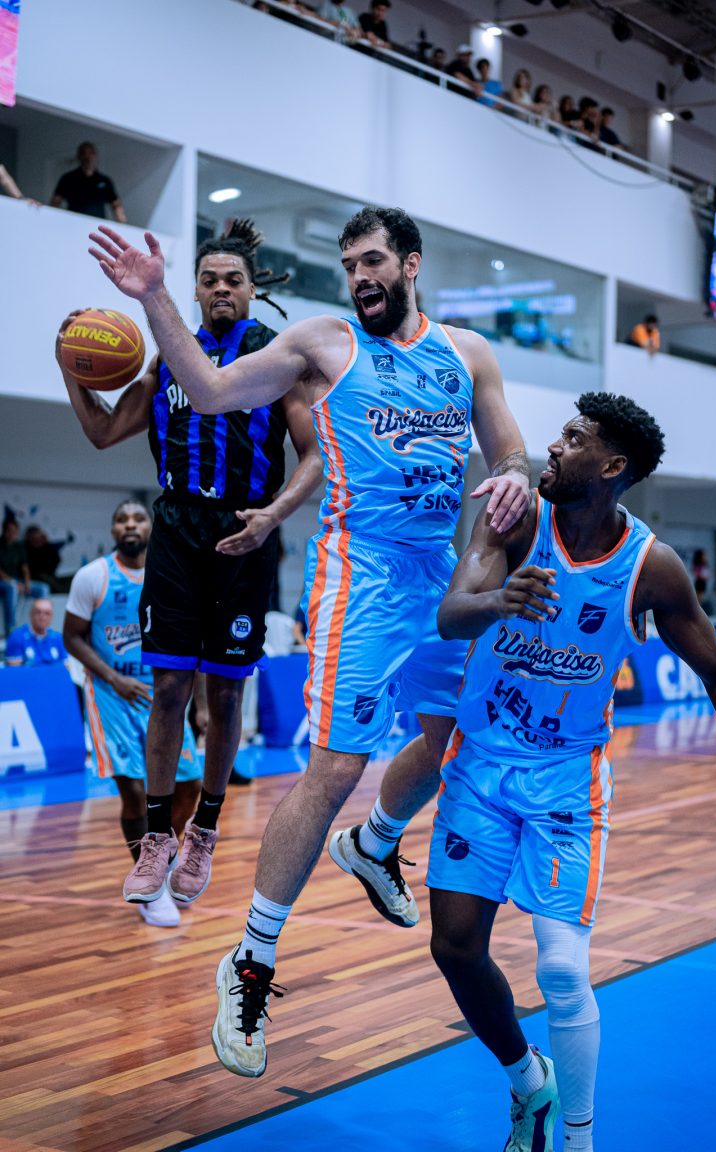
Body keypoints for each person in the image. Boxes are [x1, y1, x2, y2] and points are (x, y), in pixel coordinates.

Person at [87, 203, 531, 1078]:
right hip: (359, 577)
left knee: (456, 740)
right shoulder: (323, 344)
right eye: (349, 264)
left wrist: (515, 480)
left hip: (439, 576)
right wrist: (154, 298)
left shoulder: (470, 354)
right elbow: (209, 391)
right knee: (334, 768)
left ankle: (375, 842)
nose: (360, 277)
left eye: (373, 261)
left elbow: (508, 452)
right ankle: (249, 961)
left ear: (410, 264)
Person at [426, 392, 716, 1152]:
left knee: (561, 971)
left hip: (564, 780)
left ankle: (578, 1140)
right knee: (454, 947)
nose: (553, 447)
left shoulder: (652, 566)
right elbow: (451, 615)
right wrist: (498, 600)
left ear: (611, 467)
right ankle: (530, 1083)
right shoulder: (516, 519)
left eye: (573, 438)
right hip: (481, 765)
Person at [58, 219, 321, 909]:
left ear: (252, 289)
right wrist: (69, 365)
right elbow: (102, 431)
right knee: (170, 686)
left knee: (225, 693)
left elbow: (316, 456)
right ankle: (156, 837)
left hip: (245, 532)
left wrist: (273, 516)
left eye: (234, 279)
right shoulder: (168, 359)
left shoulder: (277, 358)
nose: (222, 288)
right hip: (176, 529)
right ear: (196, 291)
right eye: (209, 280)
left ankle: (203, 828)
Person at [63, 501, 201, 929]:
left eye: (138, 518)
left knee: (189, 787)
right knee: (136, 791)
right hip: (112, 695)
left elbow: (194, 641)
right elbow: (71, 637)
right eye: (121, 519)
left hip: (163, 696)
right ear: (112, 530)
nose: (129, 525)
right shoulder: (93, 576)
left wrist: (202, 705)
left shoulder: (170, 572)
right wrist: (113, 678)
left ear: (151, 528)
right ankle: (151, 888)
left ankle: (161, 857)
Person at [51, 142, 127, 223]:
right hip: (73, 223)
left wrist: (121, 220)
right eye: (83, 153)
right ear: (78, 156)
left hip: (97, 224)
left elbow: (116, 204)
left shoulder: (105, 181)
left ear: (95, 156)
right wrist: (53, 220)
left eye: (91, 153)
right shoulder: (68, 178)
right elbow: (55, 202)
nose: (87, 157)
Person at [4, 597, 66, 666]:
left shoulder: (58, 638)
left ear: (52, 617)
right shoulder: (17, 637)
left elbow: (67, 666)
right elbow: (14, 670)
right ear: (31, 614)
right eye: (38, 612)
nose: (42, 617)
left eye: (47, 613)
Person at [0, 517, 31, 637]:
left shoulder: (18, 546)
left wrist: (27, 583)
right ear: (4, 531)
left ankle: (39, 628)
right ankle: (11, 629)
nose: (12, 534)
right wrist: (14, 582)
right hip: (4, 582)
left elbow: (25, 567)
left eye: (14, 531)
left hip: (17, 581)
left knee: (43, 588)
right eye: (9, 531)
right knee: (13, 588)